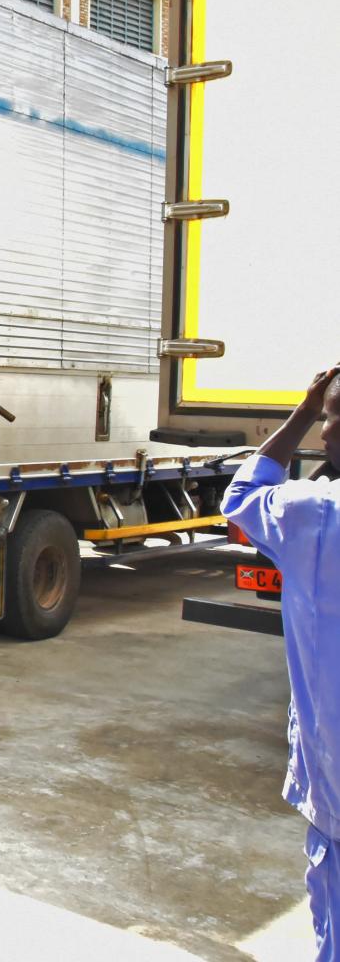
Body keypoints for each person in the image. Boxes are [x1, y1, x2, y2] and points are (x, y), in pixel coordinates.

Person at [223, 362, 340, 960]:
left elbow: (239, 496)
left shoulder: (313, 514)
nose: (324, 434)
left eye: (333, 419)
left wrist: (300, 410)